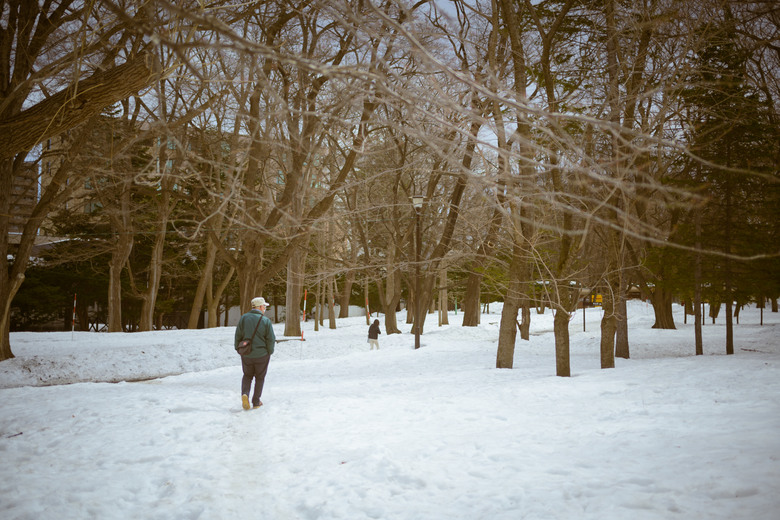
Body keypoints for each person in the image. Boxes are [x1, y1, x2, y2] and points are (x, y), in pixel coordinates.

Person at [234, 297, 276, 410]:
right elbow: (271, 339)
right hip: (262, 354)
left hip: (246, 353)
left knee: (247, 375)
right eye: (264, 306)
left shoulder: (244, 318)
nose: (265, 309)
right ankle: (256, 401)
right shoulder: (265, 320)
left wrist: (238, 349)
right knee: (260, 377)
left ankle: (245, 394)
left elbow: (238, 335)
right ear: (260, 307)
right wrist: (269, 351)